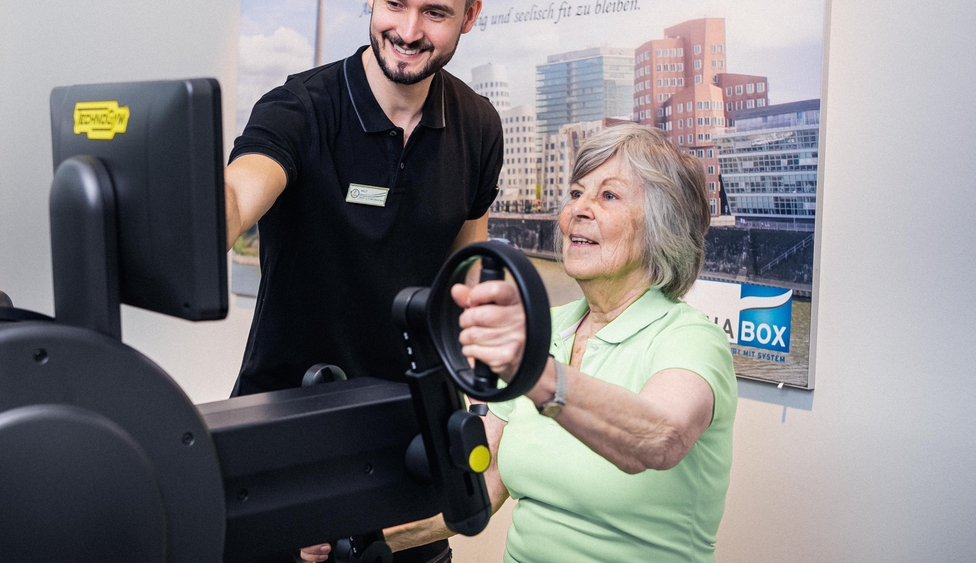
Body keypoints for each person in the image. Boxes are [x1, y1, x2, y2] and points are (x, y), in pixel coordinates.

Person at [304, 124, 738, 562]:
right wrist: (349, 535)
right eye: (575, 193)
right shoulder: (545, 330)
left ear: (664, 225)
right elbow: (480, 489)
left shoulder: (692, 339)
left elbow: (661, 438)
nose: (577, 211)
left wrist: (531, 370)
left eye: (608, 196)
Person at [226, 0, 500, 563]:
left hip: (412, 435)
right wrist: (202, 218)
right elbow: (242, 189)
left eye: (435, 13)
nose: (407, 31)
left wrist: (482, 388)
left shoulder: (478, 126)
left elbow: (470, 274)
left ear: (470, 15)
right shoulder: (300, 109)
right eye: (394, 1)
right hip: (285, 430)